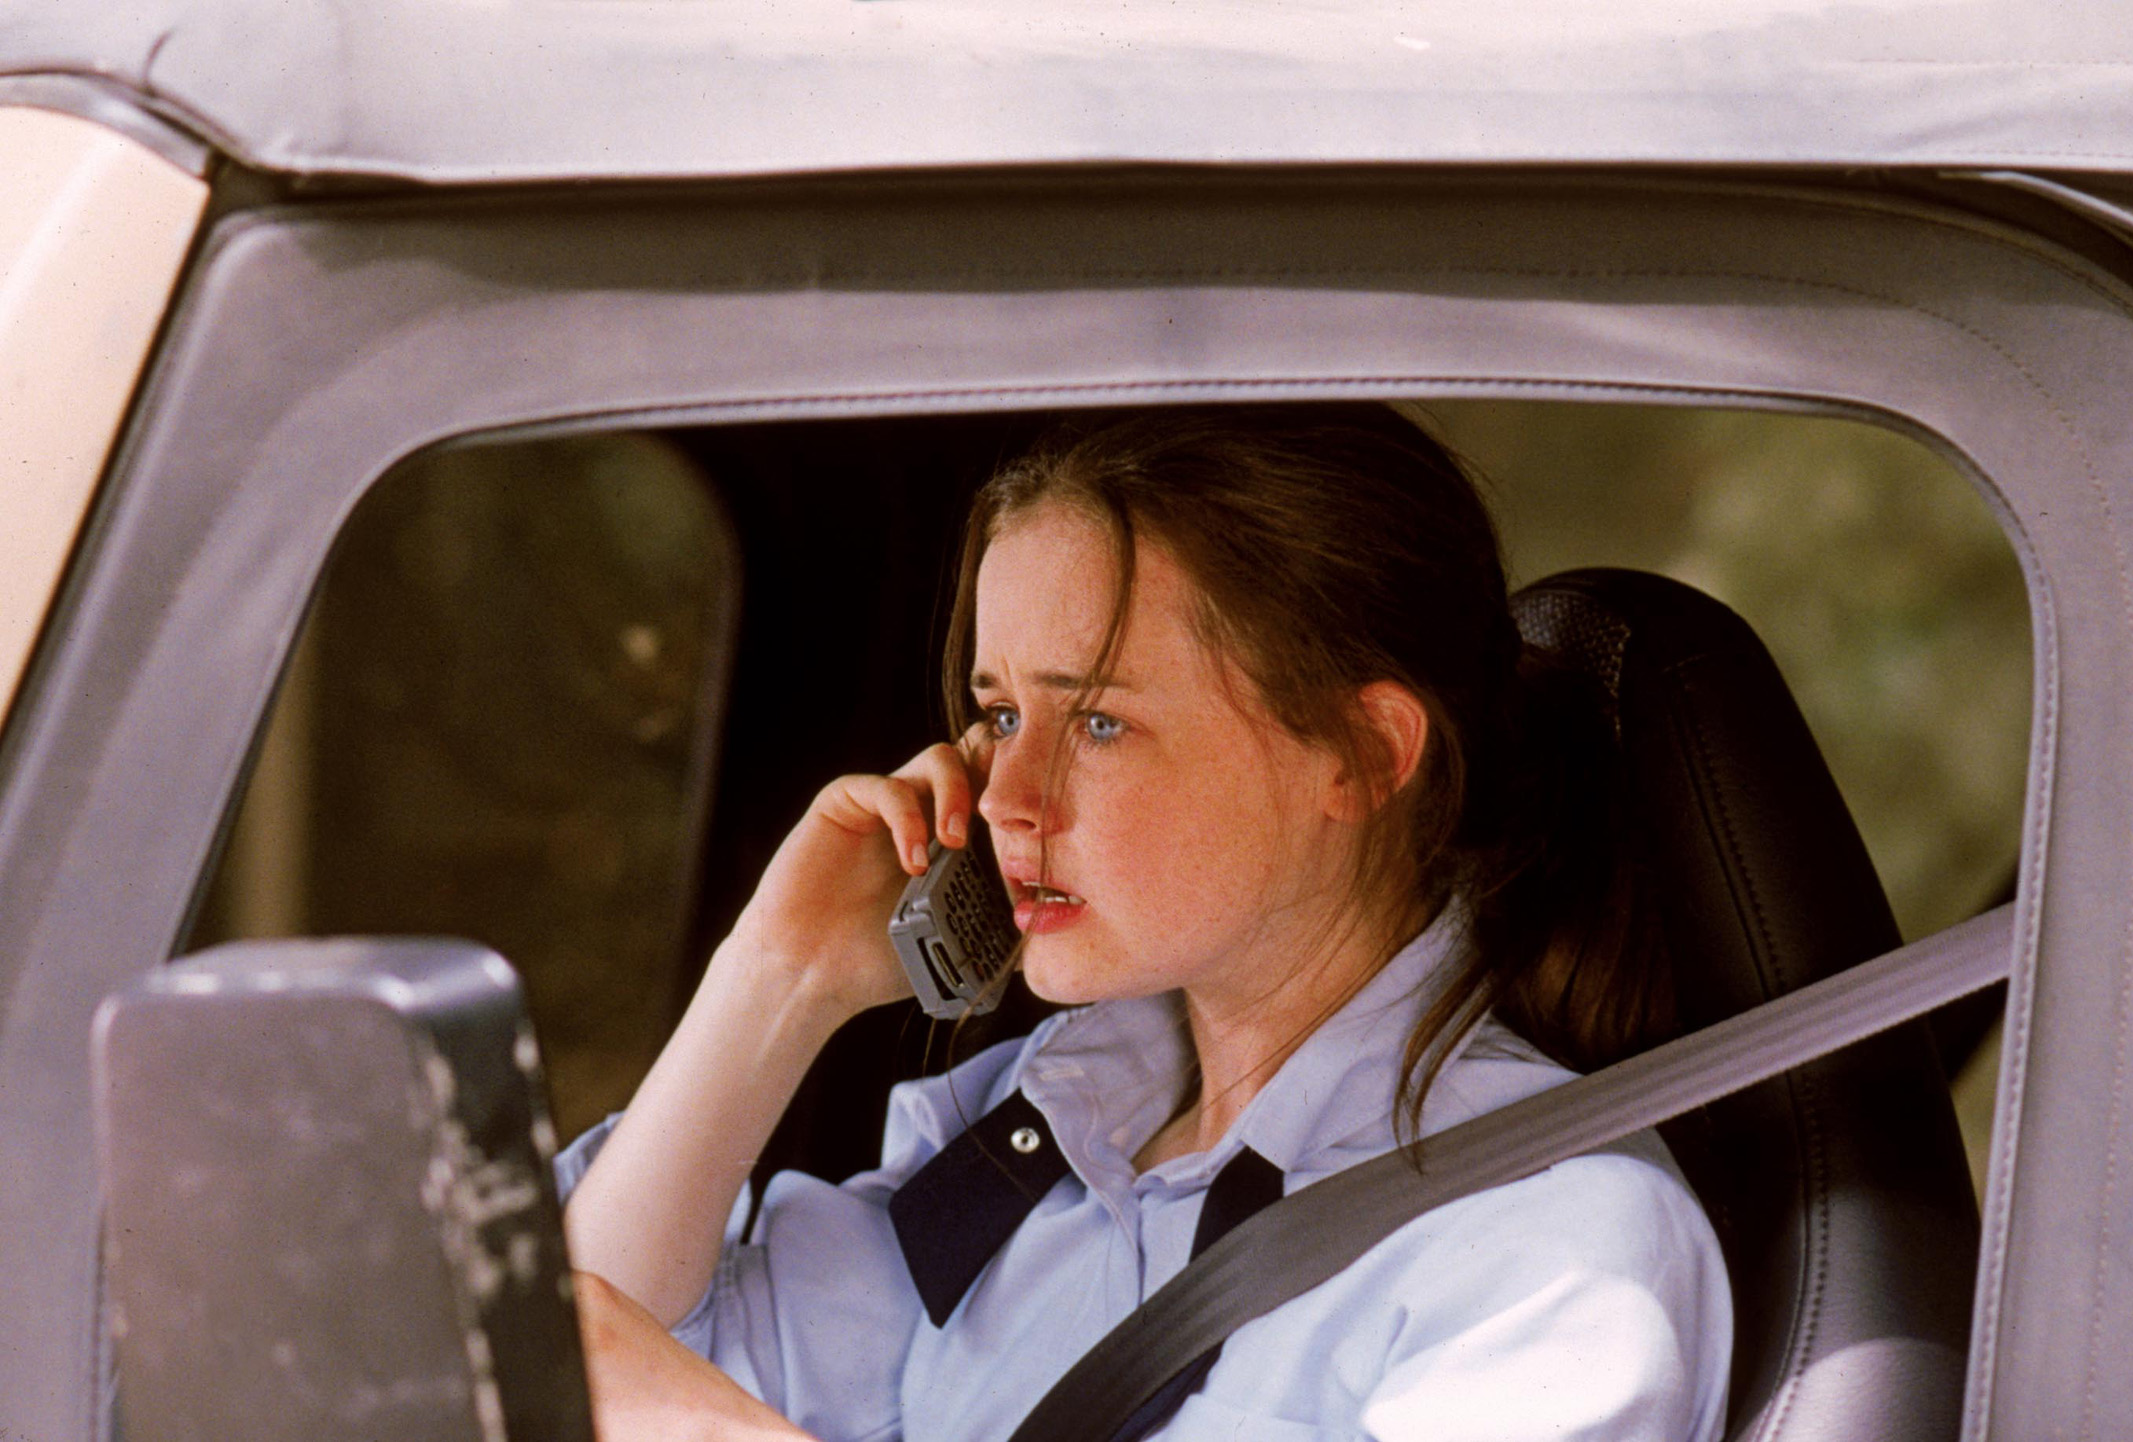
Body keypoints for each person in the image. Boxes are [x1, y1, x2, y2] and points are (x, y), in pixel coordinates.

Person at [558, 404, 1733, 1442]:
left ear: (1363, 754)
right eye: (1001, 712)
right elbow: (586, 1363)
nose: (1008, 798)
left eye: (1100, 723)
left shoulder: (1551, 1250)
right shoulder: (1034, 1149)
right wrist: (778, 975)